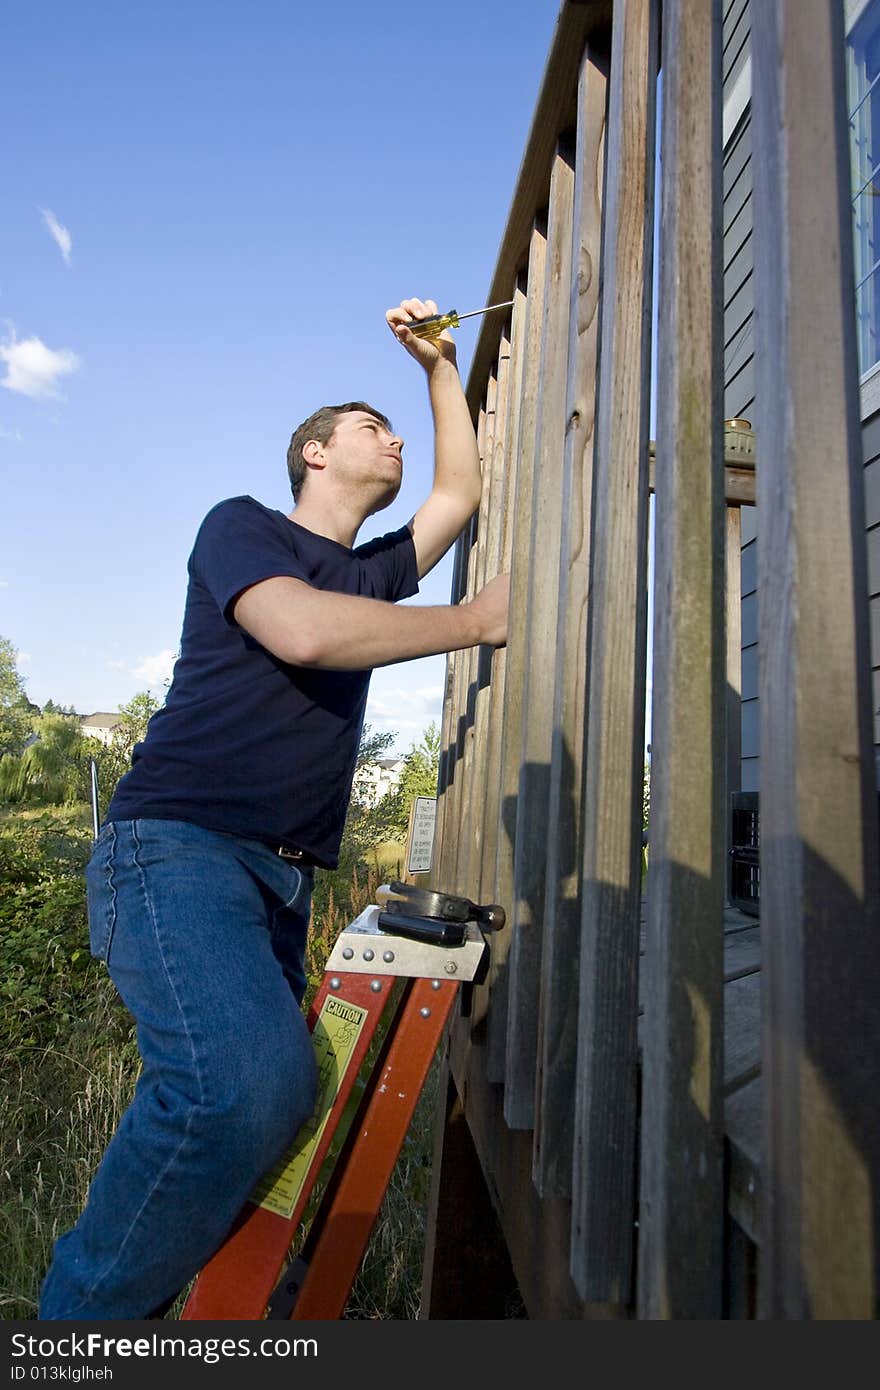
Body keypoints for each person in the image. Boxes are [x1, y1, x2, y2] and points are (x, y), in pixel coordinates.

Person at [38, 297, 509, 1319]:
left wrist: (438, 364)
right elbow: (297, 632)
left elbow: (458, 491)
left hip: (278, 878)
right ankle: (76, 1332)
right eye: (369, 425)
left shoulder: (374, 571)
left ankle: (168, 1313)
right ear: (313, 452)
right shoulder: (241, 526)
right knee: (239, 1092)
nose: (391, 437)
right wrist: (469, 620)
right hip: (176, 849)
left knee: (276, 1102)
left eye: (396, 427)